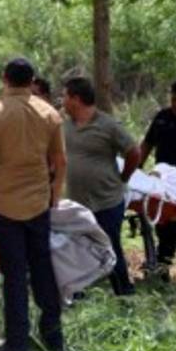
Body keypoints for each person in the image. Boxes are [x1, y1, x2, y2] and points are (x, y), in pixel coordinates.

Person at [0, 58, 67, 351]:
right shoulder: (49, 113)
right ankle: (53, 338)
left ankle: (17, 343)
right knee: (42, 270)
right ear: (32, 80)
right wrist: (54, 197)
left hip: (5, 206)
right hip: (38, 203)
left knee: (14, 274)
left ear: (4, 79)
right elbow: (60, 161)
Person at [62, 77, 141, 296]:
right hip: (77, 203)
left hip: (106, 200)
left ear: (76, 99)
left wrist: (123, 178)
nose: (63, 101)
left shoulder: (107, 125)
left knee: (110, 247)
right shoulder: (66, 126)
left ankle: (124, 294)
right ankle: (77, 295)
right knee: (76, 250)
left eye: (65, 96)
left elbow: (134, 152)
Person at [138, 79, 176, 279]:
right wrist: (136, 170)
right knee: (164, 228)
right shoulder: (162, 117)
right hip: (163, 182)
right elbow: (147, 144)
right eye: (174, 100)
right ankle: (162, 272)